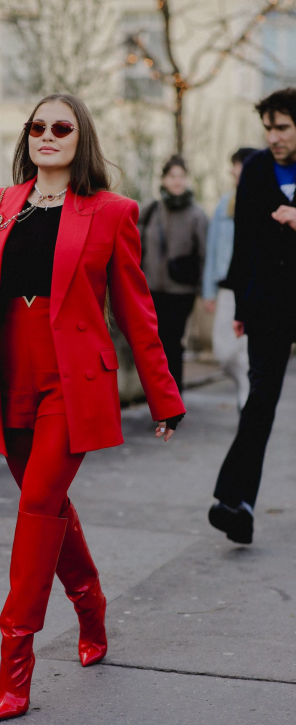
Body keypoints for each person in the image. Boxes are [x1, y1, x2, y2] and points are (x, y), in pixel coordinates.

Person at [0, 93, 185, 721]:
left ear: (80, 137)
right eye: (38, 126)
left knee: (35, 505)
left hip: (72, 383)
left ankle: (14, 664)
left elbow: (137, 311)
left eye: (62, 127)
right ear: (26, 137)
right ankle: (89, 601)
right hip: (8, 381)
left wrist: (164, 395)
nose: (48, 135)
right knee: (48, 502)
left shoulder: (113, 213)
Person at [208, 88, 296, 545]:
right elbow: (244, 240)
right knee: (260, 400)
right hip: (268, 304)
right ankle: (235, 503)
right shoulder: (259, 168)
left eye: (282, 126)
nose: (273, 136)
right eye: (268, 127)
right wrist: (242, 306)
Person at [138, 155, 208, 393]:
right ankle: (160, 395)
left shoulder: (197, 215)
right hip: (151, 290)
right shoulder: (150, 210)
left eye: (181, 176)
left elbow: (204, 254)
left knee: (172, 342)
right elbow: (134, 247)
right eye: (172, 176)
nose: (177, 181)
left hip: (182, 292)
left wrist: (204, 291)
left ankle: (173, 395)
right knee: (154, 344)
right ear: (164, 179)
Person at [202, 148, 257, 410]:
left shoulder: (263, 200)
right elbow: (212, 249)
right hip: (226, 288)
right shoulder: (226, 203)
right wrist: (208, 290)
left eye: (237, 165)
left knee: (247, 348)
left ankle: (247, 398)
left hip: (253, 288)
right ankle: (246, 384)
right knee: (222, 352)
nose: (233, 171)